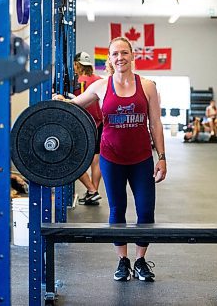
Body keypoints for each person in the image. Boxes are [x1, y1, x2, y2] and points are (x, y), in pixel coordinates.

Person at [55, 37, 167, 282]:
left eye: (124, 53)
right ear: (109, 58)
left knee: (146, 211)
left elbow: (156, 123)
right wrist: (61, 102)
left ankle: (140, 261)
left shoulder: (147, 86)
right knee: (117, 209)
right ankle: (122, 260)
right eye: (115, 54)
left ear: (132, 55)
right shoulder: (100, 86)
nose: (120, 57)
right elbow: (75, 105)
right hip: (111, 158)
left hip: (141, 159)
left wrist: (162, 157)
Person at [73, 52, 104, 205]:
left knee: (73, 159)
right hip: (100, 123)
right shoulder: (99, 80)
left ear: (77, 65)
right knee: (96, 159)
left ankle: (92, 190)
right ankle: (94, 191)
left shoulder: (77, 82)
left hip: (83, 124)